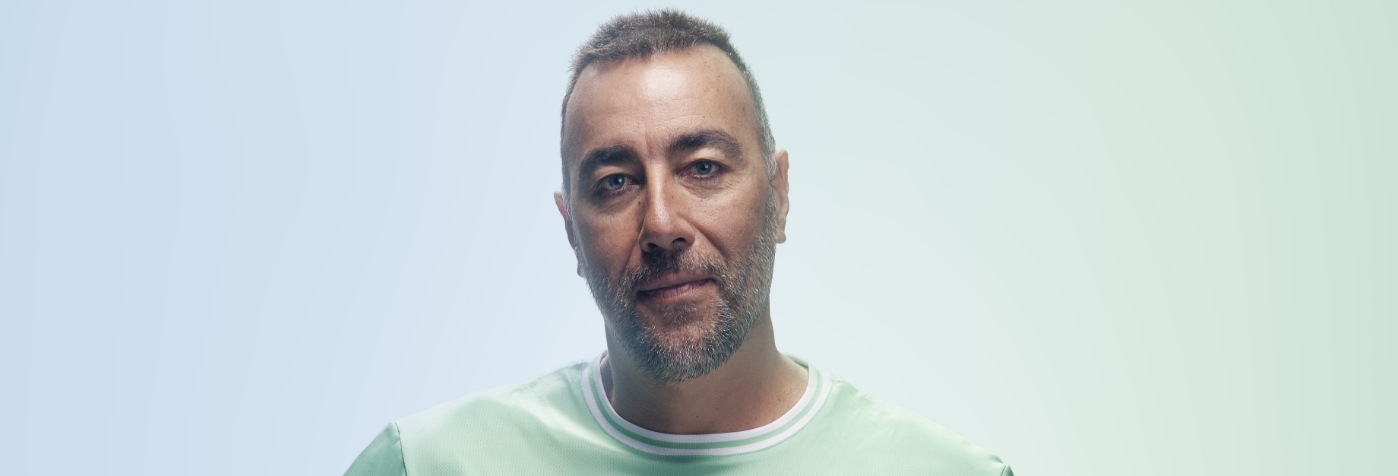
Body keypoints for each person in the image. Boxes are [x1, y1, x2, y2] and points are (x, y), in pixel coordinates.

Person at [345, 10, 1012, 475]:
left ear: (779, 195)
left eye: (703, 169)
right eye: (614, 182)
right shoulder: (429, 465)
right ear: (570, 231)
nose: (662, 224)